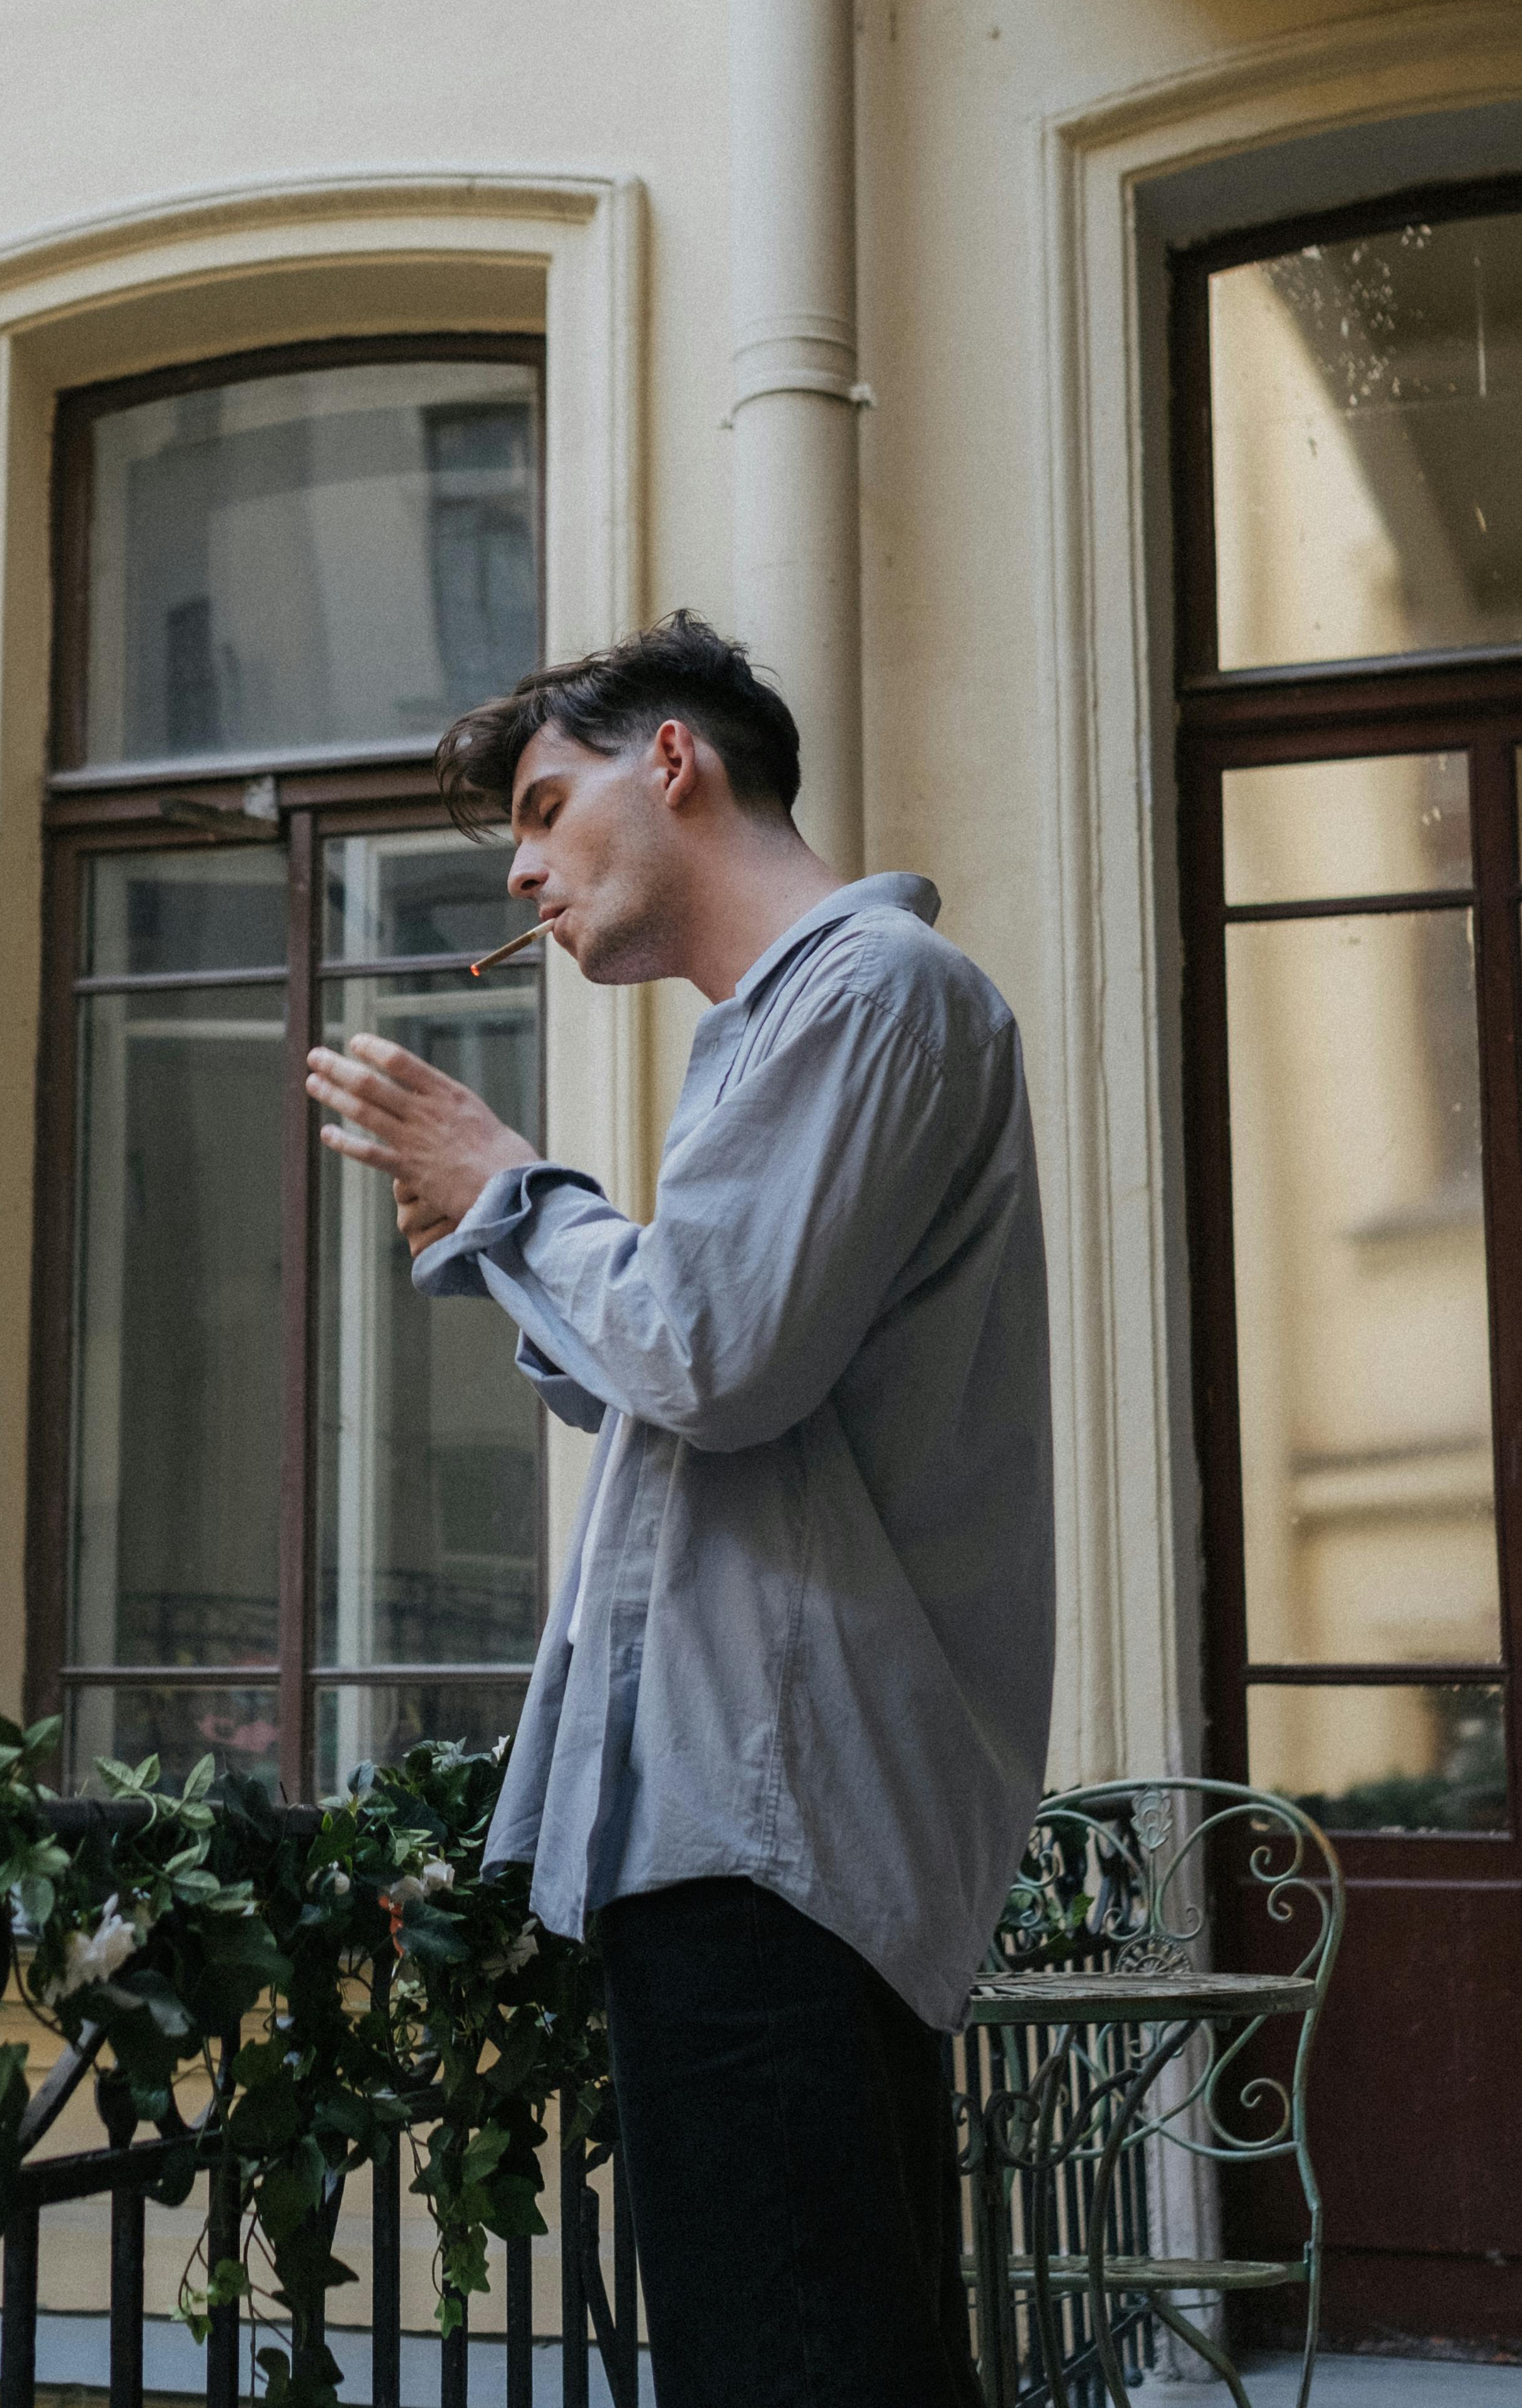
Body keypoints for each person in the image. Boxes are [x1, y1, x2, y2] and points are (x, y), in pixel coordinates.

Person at [302, 612, 1051, 2408]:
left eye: (548, 810)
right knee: (811, 2348)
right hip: (744, 1811)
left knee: (793, 2364)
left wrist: (509, 1188)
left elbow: (716, 1363)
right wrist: (515, 1250)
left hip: (768, 1819)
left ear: (673, 762)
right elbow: (713, 1390)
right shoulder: (787, 1027)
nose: (526, 871)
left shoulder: (867, 992)